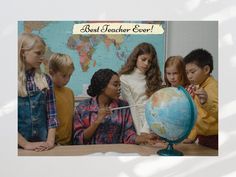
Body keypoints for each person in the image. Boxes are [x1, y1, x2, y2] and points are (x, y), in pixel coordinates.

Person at [73, 69, 157, 145]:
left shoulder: (123, 106)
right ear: (102, 87)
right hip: (89, 156)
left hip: (116, 155)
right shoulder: (83, 107)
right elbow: (78, 139)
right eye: (115, 85)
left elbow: (128, 135)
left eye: (119, 85)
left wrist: (142, 139)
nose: (119, 88)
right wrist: (97, 121)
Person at [18, 33, 59, 151]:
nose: (42, 58)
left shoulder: (46, 80)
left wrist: (50, 141)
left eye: (43, 53)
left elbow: (52, 114)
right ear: (23, 52)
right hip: (17, 147)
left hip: (43, 144)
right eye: (38, 53)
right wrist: (25, 144)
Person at [119, 43, 163, 136]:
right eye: (143, 59)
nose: (146, 64)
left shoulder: (154, 78)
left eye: (150, 61)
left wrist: (146, 129)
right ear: (135, 58)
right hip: (134, 126)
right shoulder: (124, 78)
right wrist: (141, 133)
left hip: (154, 123)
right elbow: (132, 107)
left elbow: (154, 107)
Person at [183, 48, 218, 149]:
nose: (189, 76)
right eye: (187, 72)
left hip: (215, 139)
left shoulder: (213, 87)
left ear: (206, 70)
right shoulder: (198, 87)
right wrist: (192, 136)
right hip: (203, 138)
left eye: (192, 72)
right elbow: (198, 115)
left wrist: (207, 102)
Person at [49, 53, 75, 145]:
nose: (67, 79)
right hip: (52, 143)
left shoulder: (70, 92)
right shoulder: (46, 92)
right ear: (52, 72)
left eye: (70, 75)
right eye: (64, 76)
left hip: (69, 143)